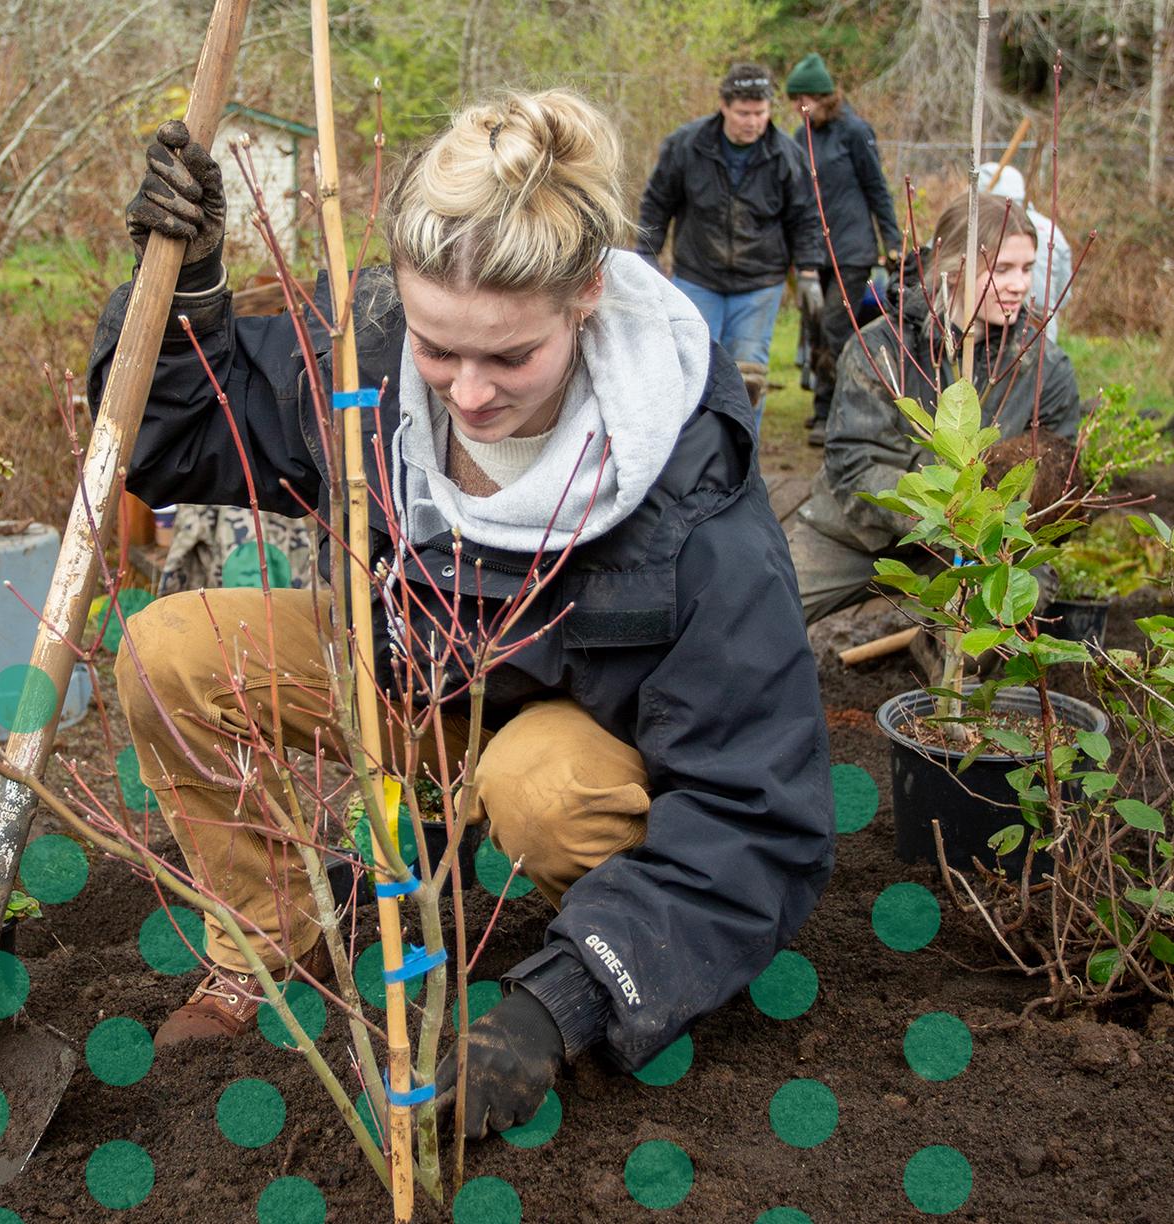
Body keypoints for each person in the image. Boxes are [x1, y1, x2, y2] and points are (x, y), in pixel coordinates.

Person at [89, 91, 834, 1140]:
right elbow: (184, 437)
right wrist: (184, 296)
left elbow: (762, 811)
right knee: (169, 648)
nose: (469, 396)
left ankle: (577, 922)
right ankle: (275, 934)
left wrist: (558, 1005)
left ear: (583, 297)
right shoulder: (378, 358)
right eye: (443, 349)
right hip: (409, 680)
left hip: (565, 750)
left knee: (540, 790)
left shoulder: (686, 488)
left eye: (509, 359)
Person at [786, 191, 1082, 626]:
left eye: (1027, 269)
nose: (1019, 284)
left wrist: (1003, 510)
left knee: (1014, 605)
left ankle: (929, 652)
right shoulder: (882, 349)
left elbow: (1059, 471)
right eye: (1000, 269)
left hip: (975, 551)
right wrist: (946, 516)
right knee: (764, 612)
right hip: (855, 539)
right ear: (954, 264)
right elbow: (854, 466)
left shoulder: (1043, 368)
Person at [636, 62, 825, 431]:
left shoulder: (786, 156)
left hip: (759, 284)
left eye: (760, 113)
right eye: (743, 113)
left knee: (747, 376)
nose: (752, 122)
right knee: (693, 368)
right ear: (723, 106)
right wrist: (646, 253)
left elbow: (805, 216)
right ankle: (691, 453)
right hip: (698, 278)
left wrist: (808, 271)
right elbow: (657, 203)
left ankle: (741, 456)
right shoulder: (686, 146)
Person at [785, 52, 902, 449]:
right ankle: (823, 407)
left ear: (824, 96)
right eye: (795, 101)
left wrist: (893, 240)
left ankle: (837, 411)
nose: (801, 107)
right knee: (816, 327)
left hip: (852, 249)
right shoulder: (803, 135)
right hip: (814, 250)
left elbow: (877, 189)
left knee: (837, 326)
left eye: (806, 99)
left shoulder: (854, 131)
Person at [977, 162, 1073, 343]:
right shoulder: (1052, 230)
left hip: (1018, 333)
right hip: (1041, 331)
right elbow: (1064, 292)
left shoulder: (974, 228)